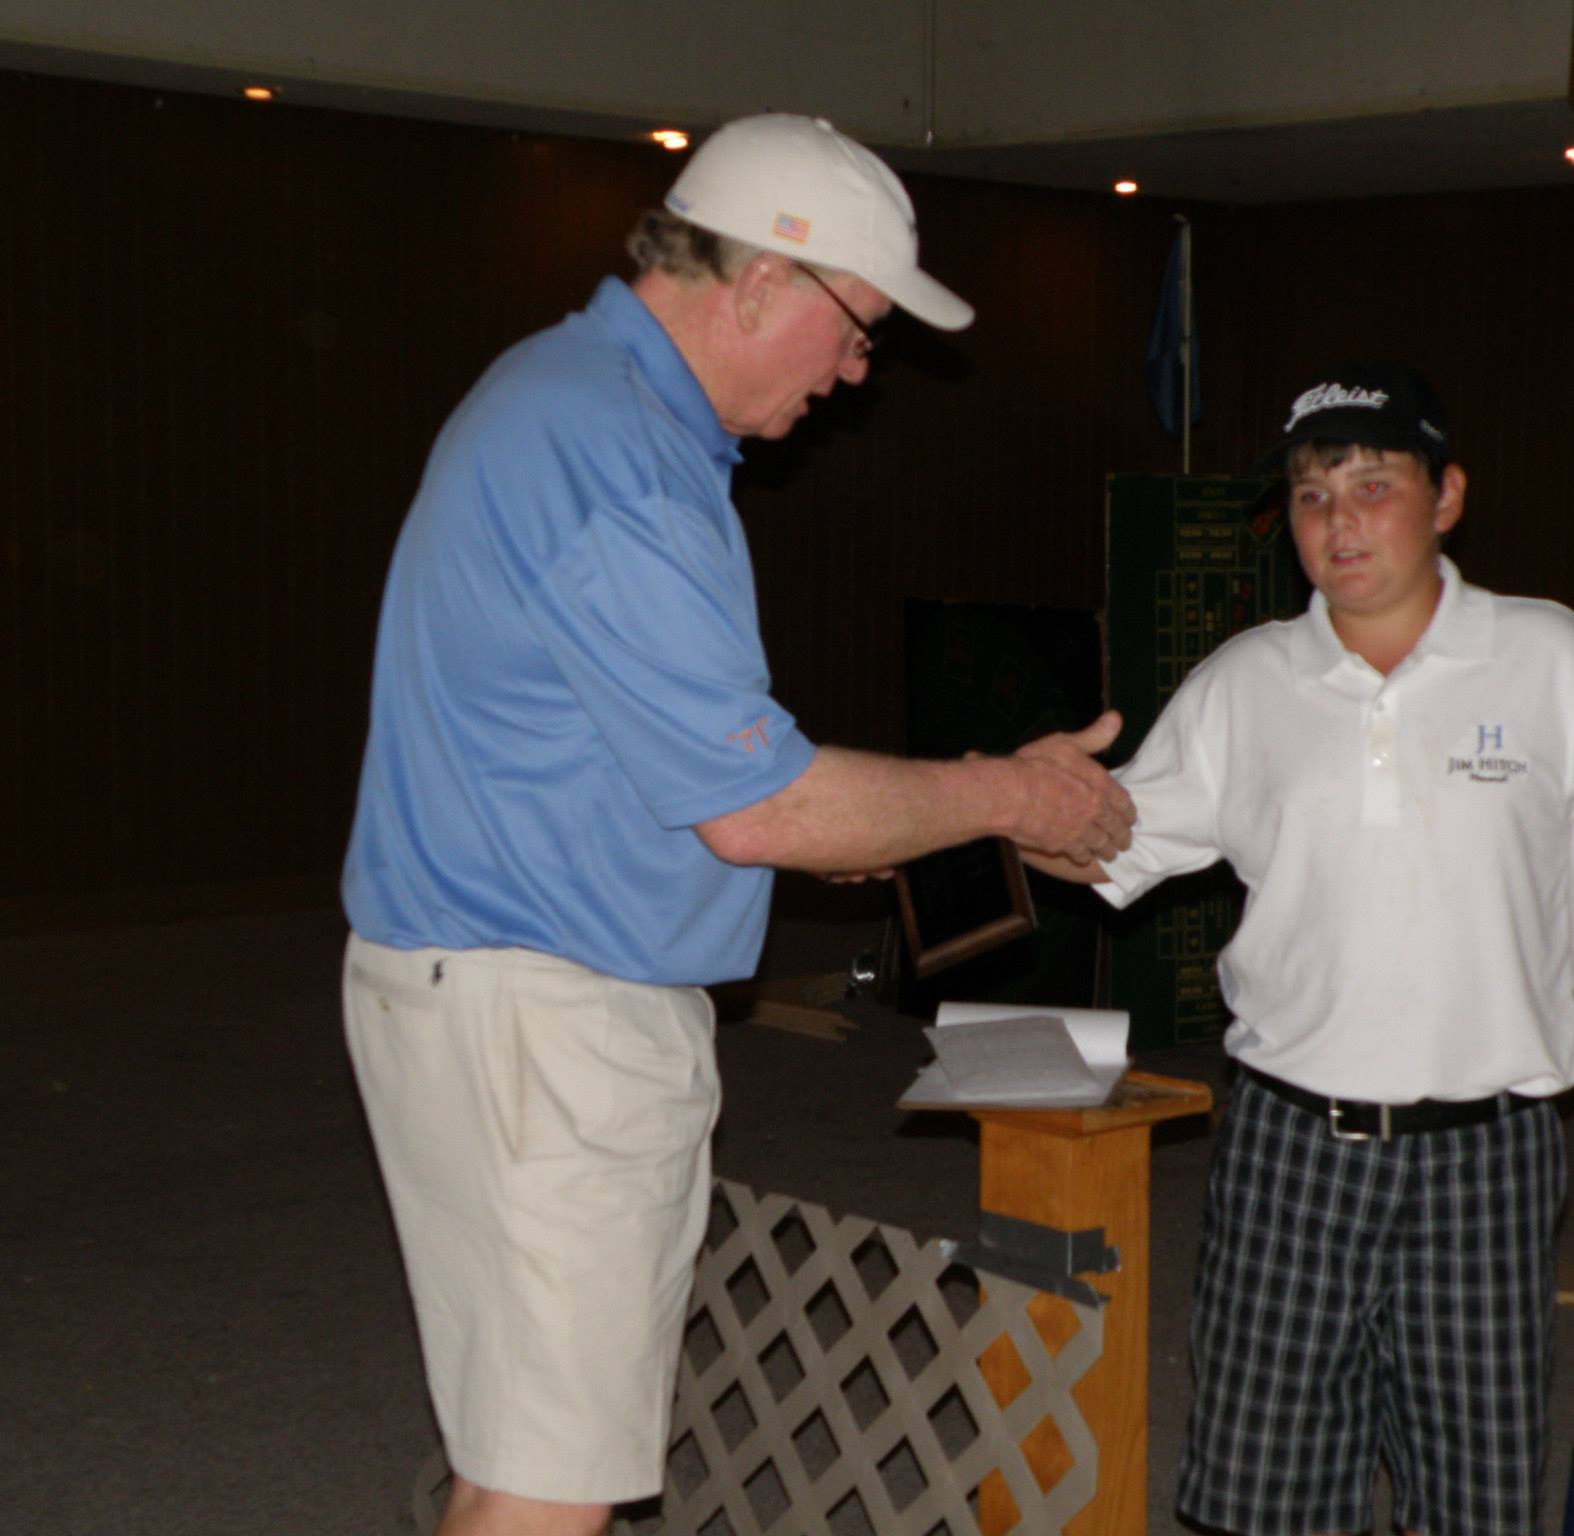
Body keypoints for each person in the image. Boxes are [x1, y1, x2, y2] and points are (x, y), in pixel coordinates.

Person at [339, 113, 1134, 1536]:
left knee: (521, 1451)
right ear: (763, 280)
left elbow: (667, 773)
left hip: (491, 998)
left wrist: (916, 817)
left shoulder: (565, 400)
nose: (857, 370)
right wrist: (1008, 794)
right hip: (544, 1026)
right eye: (859, 328)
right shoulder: (616, 455)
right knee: (547, 1487)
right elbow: (761, 808)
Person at [1027, 361, 1574, 1536]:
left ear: (1447, 497)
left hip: (1487, 1149)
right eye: (1310, 495)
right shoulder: (1243, 683)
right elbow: (1106, 849)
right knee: (1262, 1495)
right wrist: (1024, 807)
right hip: (1288, 1145)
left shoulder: (1547, 657)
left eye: (1371, 485)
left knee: (1474, 1497)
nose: (1338, 522)